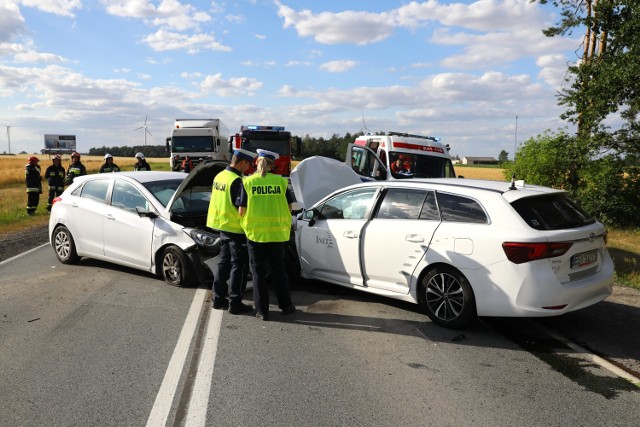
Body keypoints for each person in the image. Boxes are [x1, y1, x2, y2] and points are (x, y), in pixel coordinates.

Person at [238, 149, 296, 321]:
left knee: (258, 273)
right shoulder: (280, 182)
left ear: (256, 162)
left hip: (255, 235)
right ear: (273, 165)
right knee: (279, 270)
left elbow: (241, 210)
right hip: (277, 235)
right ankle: (286, 306)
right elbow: (290, 207)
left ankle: (262, 311)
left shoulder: (247, 182)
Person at [206, 148, 258, 314]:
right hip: (236, 229)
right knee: (239, 267)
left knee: (223, 264)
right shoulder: (236, 181)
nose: (248, 168)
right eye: (248, 164)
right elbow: (242, 208)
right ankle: (235, 303)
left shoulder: (220, 176)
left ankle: (218, 298)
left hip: (222, 226)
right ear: (241, 162)